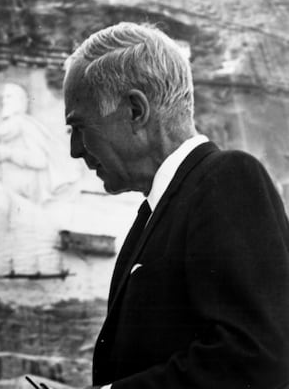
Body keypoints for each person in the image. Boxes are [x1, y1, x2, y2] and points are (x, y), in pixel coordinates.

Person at [63, 22, 289, 388]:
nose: (75, 150)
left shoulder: (228, 178)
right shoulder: (158, 211)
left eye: (80, 126)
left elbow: (258, 361)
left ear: (136, 110)